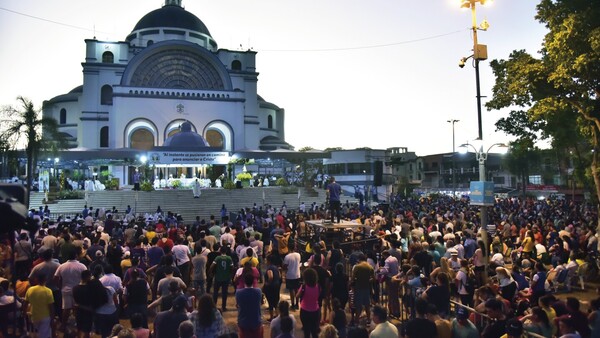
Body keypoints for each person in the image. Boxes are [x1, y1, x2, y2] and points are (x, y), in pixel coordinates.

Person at [53, 249, 88, 329]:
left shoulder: (62, 266)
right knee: (77, 308)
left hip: (66, 289)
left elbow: (55, 278)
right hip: (78, 289)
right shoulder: (82, 266)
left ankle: (63, 325)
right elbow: (86, 277)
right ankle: (78, 324)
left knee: (66, 309)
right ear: (76, 256)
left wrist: (60, 286)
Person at [24, 273, 55, 338]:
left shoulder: (30, 289)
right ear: (45, 280)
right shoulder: (48, 291)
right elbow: (51, 306)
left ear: (37, 280)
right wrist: (52, 319)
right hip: (45, 317)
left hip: (34, 316)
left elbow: (25, 303)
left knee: (39, 333)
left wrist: (24, 313)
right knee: (44, 335)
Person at [236, 273, 263, 338]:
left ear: (244, 281)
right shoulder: (258, 291)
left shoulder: (238, 292)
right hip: (256, 321)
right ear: (253, 281)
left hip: (243, 322)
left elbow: (237, 305)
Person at [298, 268, 321, 338]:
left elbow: (297, 295)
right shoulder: (319, 287)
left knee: (306, 332)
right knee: (314, 332)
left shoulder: (304, 287)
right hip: (315, 311)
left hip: (305, 311)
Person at [211, 245, 233, 311]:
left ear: (220, 251)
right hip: (226, 277)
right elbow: (232, 267)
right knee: (224, 292)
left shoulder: (217, 258)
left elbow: (212, 266)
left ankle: (214, 306)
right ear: (226, 251)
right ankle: (224, 306)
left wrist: (210, 272)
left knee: (215, 292)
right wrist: (230, 274)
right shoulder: (229, 258)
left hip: (218, 277)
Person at [283, 243, 302, 310]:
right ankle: (297, 304)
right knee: (297, 289)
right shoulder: (298, 255)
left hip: (290, 275)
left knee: (291, 291)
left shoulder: (287, 257)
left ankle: (293, 304)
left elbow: (285, 266)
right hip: (297, 274)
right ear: (294, 248)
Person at [263, 254, 282, 321]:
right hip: (277, 286)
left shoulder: (269, 268)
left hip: (271, 287)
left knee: (270, 303)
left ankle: (271, 317)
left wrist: (268, 283)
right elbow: (279, 276)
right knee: (276, 302)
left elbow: (270, 276)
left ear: (269, 261)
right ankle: (277, 316)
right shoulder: (276, 267)